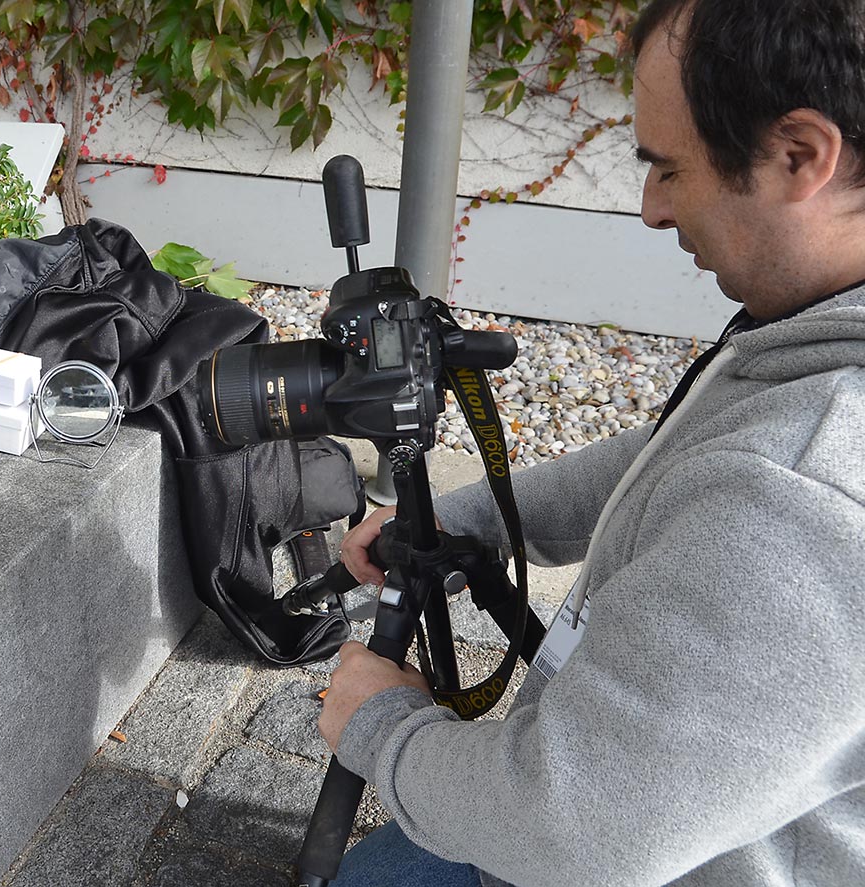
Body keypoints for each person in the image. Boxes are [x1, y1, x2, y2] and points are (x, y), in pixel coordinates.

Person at [318, 1, 865, 884]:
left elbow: (572, 832)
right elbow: (679, 455)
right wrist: (474, 520)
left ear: (801, 155)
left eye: (667, 168)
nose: (649, 208)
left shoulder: (805, 498)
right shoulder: (816, 332)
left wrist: (381, 728)